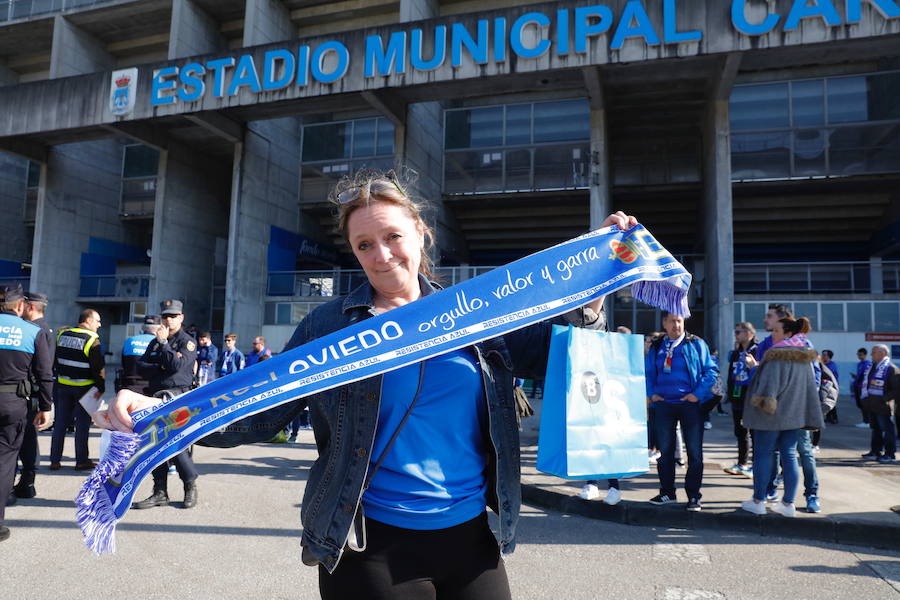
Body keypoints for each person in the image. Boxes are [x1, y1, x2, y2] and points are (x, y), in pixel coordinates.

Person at [98, 169, 635, 598]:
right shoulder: (331, 327)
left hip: (470, 539)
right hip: (370, 545)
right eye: (364, 245)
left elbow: (556, 355)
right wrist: (157, 407)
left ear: (421, 235)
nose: (382, 256)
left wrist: (593, 287)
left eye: (393, 237)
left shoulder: (477, 315)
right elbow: (261, 410)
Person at [741, 316, 825, 518]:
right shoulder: (804, 355)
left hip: (770, 415)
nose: (772, 334)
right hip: (793, 415)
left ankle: (758, 501)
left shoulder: (776, 355)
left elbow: (768, 388)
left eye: (776, 331)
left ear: (788, 333)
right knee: (789, 455)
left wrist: (754, 369)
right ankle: (788, 504)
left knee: (762, 454)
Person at [645, 312, 719, 511]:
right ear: (664, 323)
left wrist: (697, 394)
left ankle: (694, 496)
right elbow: (648, 372)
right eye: (672, 321)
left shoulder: (696, 344)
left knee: (695, 453)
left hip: (690, 404)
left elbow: (711, 371)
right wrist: (652, 394)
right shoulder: (658, 345)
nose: (676, 325)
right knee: (665, 452)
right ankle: (667, 492)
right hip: (663, 404)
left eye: (679, 321)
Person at [132, 299, 200, 510]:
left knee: (176, 444)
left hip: (178, 398)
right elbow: (140, 367)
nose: (168, 320)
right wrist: (162, 365)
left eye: (172, 316)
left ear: (181, 318)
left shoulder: (186, 342)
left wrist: (163, 347)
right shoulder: (155, 341)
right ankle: (160, 491)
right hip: (155, 398)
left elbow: (176, 366)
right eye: (165, 316)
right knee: (154, 445)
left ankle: (190, 485)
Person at [0, 285, 53, 541]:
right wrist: (45, 407)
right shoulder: (32, 332)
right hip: (13, 403)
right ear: (20, 306)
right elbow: (45, 375)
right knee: (5, 460)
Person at [11, 292, 54, 501]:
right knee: (26, 438)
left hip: (31, 393)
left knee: (26, 439)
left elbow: (43, 369)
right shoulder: (43, 329)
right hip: (33, 392)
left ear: (29, 307)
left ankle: (27, 481)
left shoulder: (38, 330)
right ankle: (26, 481)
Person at [50, 308, 104, 470]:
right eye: (97, 321)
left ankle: (54, 460)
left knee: (60, 423)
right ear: (88, 320)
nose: (99, 325)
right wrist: (100, 388)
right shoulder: (92, 338)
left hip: (63, 386)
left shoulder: (62, 334)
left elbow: (55, 359)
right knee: (82, 425)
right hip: (84, 388)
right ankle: (81, 461)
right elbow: (97, 367)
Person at [722, 322, 758, 478]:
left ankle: (756, 466)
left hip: (751, 397)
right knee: (740, 432)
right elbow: (731, 373)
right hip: (737, 396)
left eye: (739, 332)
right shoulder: (736, 352)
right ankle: (742, 463)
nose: (736, 335)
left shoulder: (757, 350)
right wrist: (729, 393)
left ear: (749, 333)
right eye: (735, 332)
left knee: (755, 433)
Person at [860, 344, 899, 464]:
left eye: (874, 352)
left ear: (883, 354)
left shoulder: (891, 368)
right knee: (875, 429)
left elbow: (897, 389)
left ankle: (889, 454)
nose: (871, 355)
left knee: (887, 430)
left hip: (883, 405)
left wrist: (884, 399)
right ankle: (876, 451)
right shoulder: (873, 367)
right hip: (872, 404)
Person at [119, 315, 160, 394]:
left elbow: (124, 364)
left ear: (142, 327)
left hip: (129, 385)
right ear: (159, 328)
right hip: (151, 387)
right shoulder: (159, 342)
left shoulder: (130, 340)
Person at [852, 347, 872, 428]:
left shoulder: (868, 364)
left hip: (863, 388)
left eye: (860, 355)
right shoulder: (859, 364)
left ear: (865, 355)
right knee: (860, 404)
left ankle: (867, 421)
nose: (859, 356)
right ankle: (865, 420)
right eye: (858, 355)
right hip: (858, 386)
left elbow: (867, 376)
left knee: (864, 405)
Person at [821, 350, 840, 424]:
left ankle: (834, 418)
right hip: (825, 386)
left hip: (832, 387)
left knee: (831, 403)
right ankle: (829, 418)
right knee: (825, 402)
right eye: (822, 354)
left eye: (824, 355)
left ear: (829, 356)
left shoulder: (832, 365)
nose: (822, 356)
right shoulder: (823, 364)